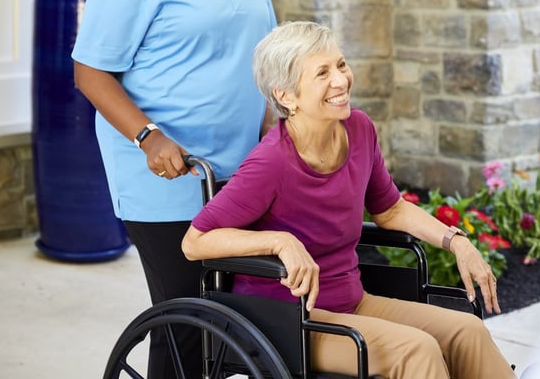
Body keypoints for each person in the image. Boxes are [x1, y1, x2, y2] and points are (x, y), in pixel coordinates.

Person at [182, 21, 517, 378]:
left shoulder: (359, 130)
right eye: (322, 73)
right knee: (416, 351)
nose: (340, 80)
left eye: (341, 65)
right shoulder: (271, 163)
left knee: (468, 332)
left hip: (352, 301)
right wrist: (280, 241)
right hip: (289, 320)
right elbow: (195, 242)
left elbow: (390, 209)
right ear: (286, 96)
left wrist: (456, 242)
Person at [71, 0, 276, 378]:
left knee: (241, 322)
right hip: (167, 173)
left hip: (239, 169)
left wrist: (275, 135)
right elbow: (91, 71)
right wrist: (148, 136)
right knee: (187, 322)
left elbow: (261, 58)